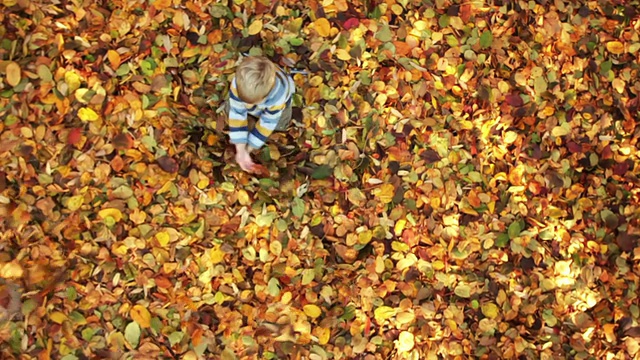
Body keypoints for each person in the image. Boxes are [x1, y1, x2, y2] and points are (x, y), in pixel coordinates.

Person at [225, 56, 295, 173]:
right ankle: (249, 118)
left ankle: (271, 122)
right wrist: (241, 149)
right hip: (257, 103)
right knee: (232, 109)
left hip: (279, 105)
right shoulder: (238, 83)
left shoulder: (278, 95)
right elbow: (237, 112)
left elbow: (268, 122)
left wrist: (249, 148)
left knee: (280, 123)